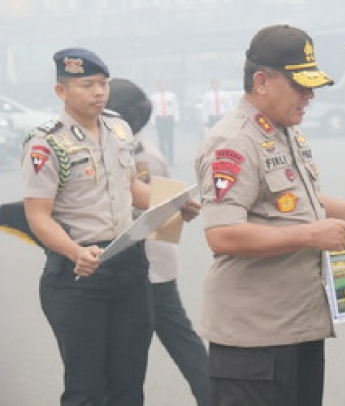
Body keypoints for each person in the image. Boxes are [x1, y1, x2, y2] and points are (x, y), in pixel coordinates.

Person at [194, 24, 345, 406]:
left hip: (296, 326)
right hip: (255, 338)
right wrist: (309, 236)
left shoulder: (281, 130)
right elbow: (222, 234)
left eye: (312, 86)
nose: (310, 96)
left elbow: (296, 200)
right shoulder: (234, 140)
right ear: (262, 81)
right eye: (300, 86)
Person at [21, 48, 165, 405]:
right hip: (79, 273)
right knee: (86, 387)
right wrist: (74, 252)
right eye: (87, 85)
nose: (99, 92)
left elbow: (132, 189)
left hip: (129, 266)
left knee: (129, 384)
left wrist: (173, 201)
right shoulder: (47, 143)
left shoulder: (118, 128)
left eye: (103, 84)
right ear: (62, 91)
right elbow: (38, 215)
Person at [106, 77, 209, 406]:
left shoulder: (142, 158)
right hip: (151, 266)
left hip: (150, 267)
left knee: (147, 346)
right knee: (180, 340)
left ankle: (216, 396)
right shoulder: (130, 150)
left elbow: (162, 219)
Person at [150, 79, 180, 165]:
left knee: (170, 140)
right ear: (157, 86)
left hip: (169, 119)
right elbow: (153, 110)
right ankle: (163, 160)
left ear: (166, 85)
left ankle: (171, 160)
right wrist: (153, 122)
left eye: (164, 85)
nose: (162, 86)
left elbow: (175, 108)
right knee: (161, 140)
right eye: (160, 85)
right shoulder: (154, 97)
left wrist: (176, 119)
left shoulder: (171, 96)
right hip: (159, 119)